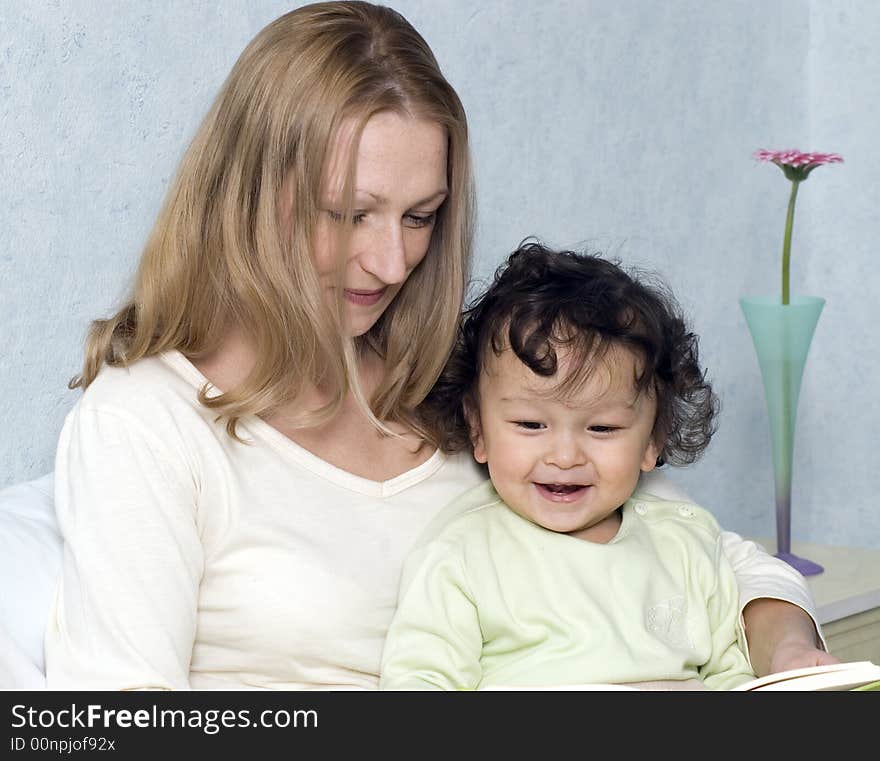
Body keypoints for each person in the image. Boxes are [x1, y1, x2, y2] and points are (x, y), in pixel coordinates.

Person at [44, 1, 833, 691]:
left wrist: (787, 651)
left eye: (420, 217)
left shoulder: (468, 387)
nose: (392, 262)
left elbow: (708, 556)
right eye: (351, 214)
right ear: (251, 196)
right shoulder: (149, 423)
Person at [381, 242, 758, 690]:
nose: (564, 457)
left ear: (653, 440)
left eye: (601, 429)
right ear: (478, 429)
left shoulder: (686, 543)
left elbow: (732, 673)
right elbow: (420, 683)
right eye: (530, 424)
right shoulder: (462, 554)